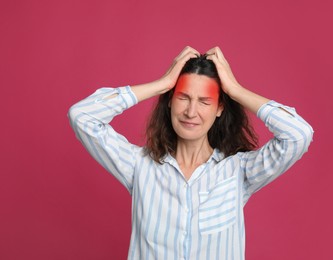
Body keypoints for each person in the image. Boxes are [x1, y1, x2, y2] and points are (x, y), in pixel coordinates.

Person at [68, 46, 314, 260]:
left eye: (204, 102)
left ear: (219, 108)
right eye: (183, 98)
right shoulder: (139, 166)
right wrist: (161, 84)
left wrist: (235, 90)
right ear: (170, 102)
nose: (191, 111)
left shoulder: (238, 171)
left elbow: (298, 134)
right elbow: (83, 116)